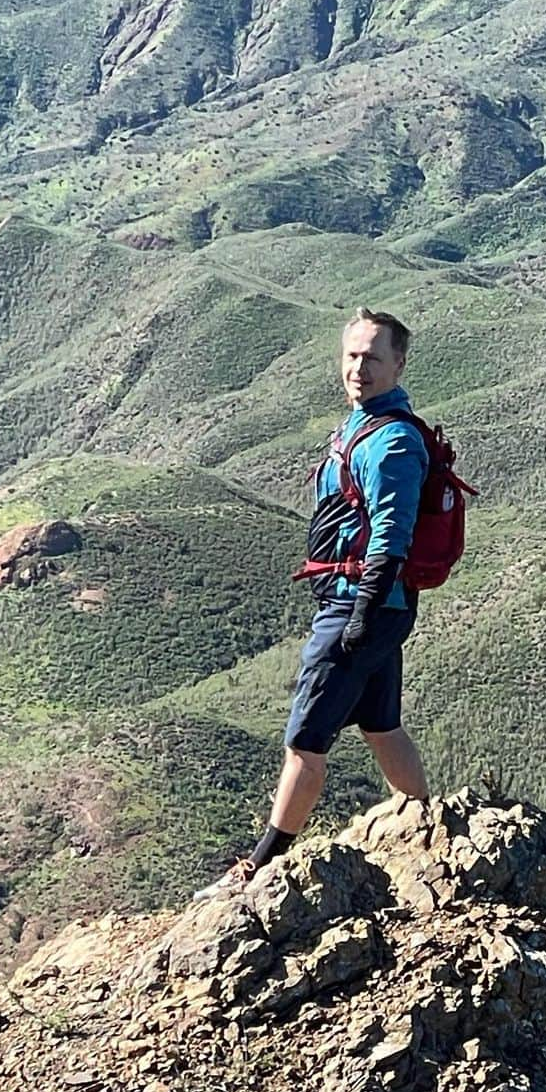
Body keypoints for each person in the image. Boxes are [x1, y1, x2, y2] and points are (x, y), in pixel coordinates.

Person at [194, 308, 431, 900]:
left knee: (304, 743)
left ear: (399, 364)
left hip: (363, 604)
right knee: (382, 725)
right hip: (373, 605)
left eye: (374, 357)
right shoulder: (362, 426)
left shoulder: (394, 440)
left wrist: (364, 609)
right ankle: (428, 823)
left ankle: (262, 865)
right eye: (352, 355)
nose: (360, 368)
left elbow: (392, 529)